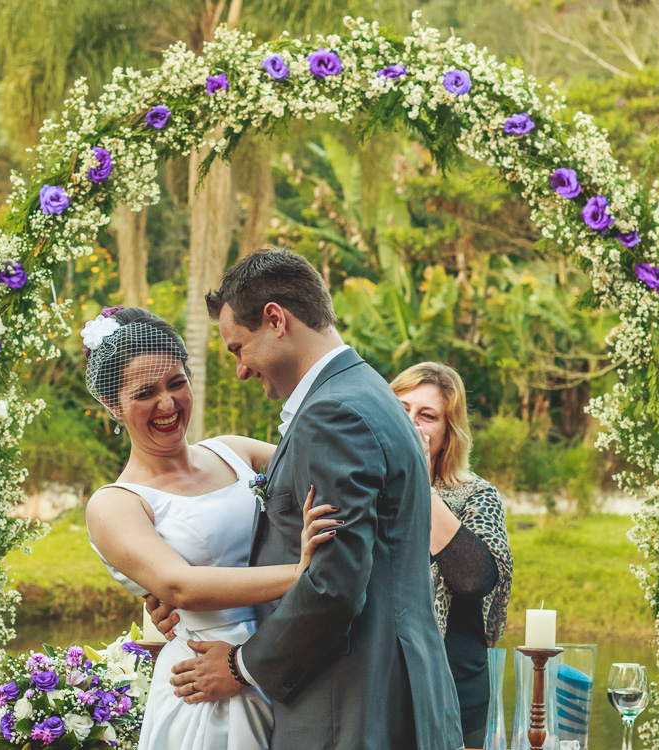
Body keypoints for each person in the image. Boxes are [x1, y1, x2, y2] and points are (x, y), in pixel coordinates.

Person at [158, 249, 463, 750]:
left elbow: (334, 583)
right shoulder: (368, 391)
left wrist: (241, 665)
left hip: (352, 705)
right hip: (396, 690)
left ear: (276, 319)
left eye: (239, 348)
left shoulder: (333, 414)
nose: (240, 370)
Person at [82, 306, 342, 750]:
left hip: (286, 658)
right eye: (145, 392)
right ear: (112, 405)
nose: (167, 404)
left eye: (176, 383)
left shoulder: (233, 451)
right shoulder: (114, 504)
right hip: (206, 682)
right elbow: (181, 587)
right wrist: (301, 574)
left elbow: (327, 466)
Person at [391, 362, 514, 750]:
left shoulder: (475, 495)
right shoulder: (364, 490)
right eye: (401, 409)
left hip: (455, 690)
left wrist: (417, 482)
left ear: (447, 435)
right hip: (380, 688)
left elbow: (474, 579)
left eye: (427, 416)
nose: (411, 422)